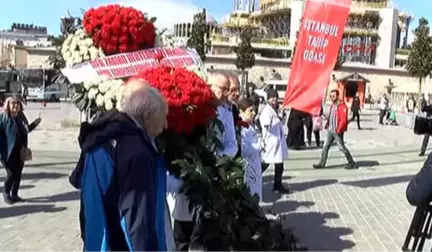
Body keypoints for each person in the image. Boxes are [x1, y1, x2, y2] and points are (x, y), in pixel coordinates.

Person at [69, 84, 175, 251]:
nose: (166, 125)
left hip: (97, 238)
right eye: (164, 117)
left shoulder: (101, 137)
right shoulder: (136, 151)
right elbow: (137, 214)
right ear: (148, 116)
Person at [0, 97, 41, 204]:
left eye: (18, 103)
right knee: (11, 173)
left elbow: (26, 130)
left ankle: (14, 194)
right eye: (13, 103)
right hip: (7, 151)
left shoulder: (21, 116)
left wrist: (34, 124)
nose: (16, 105)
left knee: (18, 173)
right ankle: (6, 193)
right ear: (7, 104)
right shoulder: (3, 117)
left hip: (20, 150)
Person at [313, 90, 356, 169]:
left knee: (341, 147)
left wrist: (339, 130)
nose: (332, 98)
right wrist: (327, 118)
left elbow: (343, 120)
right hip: (330, 130)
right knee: (325, 146)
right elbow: (332, 116)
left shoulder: (342, 106)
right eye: (330, 96)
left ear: (337, 96)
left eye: (333, 96)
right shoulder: (333, 106)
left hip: (337, 131)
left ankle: (351, 162)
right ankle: (322, 163)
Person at [259, 89, 290, 193]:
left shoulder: (275, 109)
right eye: (272, 97)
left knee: (279, 165)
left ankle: (277, 185)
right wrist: (278, 118)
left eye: (275, 97)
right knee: (265, 163)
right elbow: (267, 125)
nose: (274, 99)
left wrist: (283, 115)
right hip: (270, 142)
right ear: (268, 99)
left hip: (278, 141)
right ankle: (253, 178)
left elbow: (282, 123)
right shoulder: (266, 111)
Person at [238, 98, 262, 200]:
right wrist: (260, 146)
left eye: (254, 110)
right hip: (249, 167)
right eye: (250, 110)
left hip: (254, 164)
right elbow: (244, 149)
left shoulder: (249, 124)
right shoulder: (243, 127)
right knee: (251, 194)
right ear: (241, 112)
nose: (253, 113)